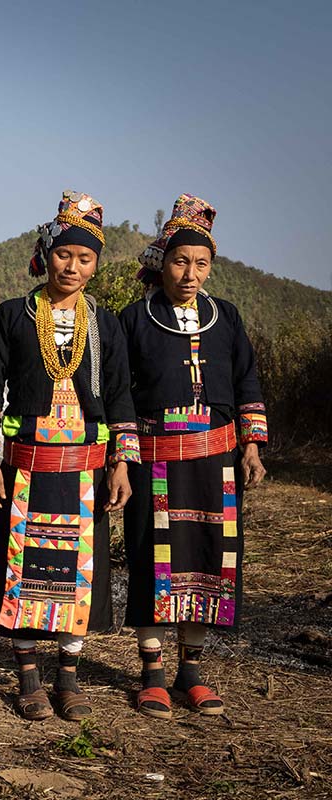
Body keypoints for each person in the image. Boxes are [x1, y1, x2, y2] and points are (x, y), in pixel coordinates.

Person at [0, 191, 139, 721]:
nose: (72, 266)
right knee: (23, 569)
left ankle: (67, 677)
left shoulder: (104, 323)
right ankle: (27, 678)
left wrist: (122, 463)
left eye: (85, 258)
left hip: (86, 469)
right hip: (25, 466)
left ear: (95, 265)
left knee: (78, 572)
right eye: (64, 254)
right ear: (46, 254)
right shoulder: (14, 315)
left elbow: (120, 395)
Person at [120, 195, 267, 719]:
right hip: (155, 460)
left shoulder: (226, 317)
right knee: (152, 559)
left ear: (211, 267)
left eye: (201, 264)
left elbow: (246, 380)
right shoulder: (134, 319)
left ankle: (192, 674)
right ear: (162, 262)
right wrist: (121, 458)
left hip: (215, 460)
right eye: (181, 261)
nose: (190, 274)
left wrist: (251, 445)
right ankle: (153, 675)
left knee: (207, 557)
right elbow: (118, 393)